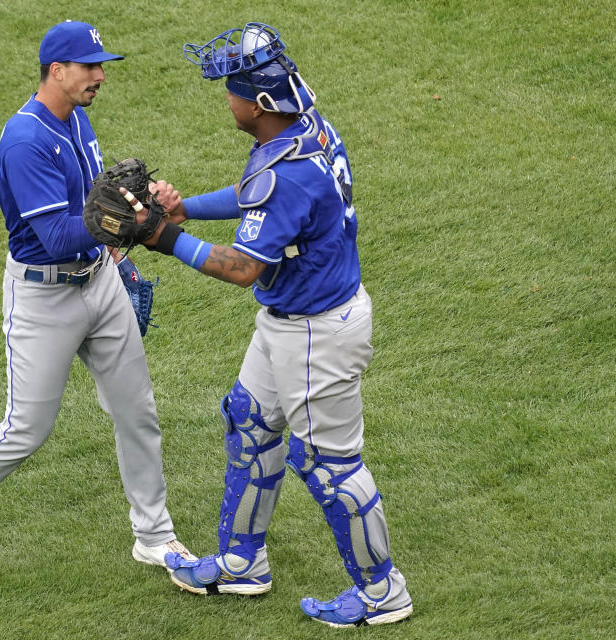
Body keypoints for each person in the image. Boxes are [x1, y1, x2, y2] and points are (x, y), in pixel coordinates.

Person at [127, 23, 413, 628]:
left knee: (331, 467)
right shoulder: (304, 129)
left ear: (256, 104)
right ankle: (240, 562)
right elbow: (259, 194)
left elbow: (241, 267)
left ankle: (384, 591)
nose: (224, 99)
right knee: (250, 422)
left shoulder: (289, 172)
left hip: (318, 333)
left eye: (229, 90)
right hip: (292, 320)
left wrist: (163, 236)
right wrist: (186, 207)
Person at [0, 19, 193, 585]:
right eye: (90, 67)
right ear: (56, 71)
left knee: (138, 411)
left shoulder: (77, 117)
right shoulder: (25, 141)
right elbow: (59, 236)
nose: (100, 76)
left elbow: (96, 207)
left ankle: (155, 538)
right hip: (43, 297)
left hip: (101, 282)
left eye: (102, 66)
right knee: (26, 428)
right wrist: (130, 223)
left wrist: (134, 216)